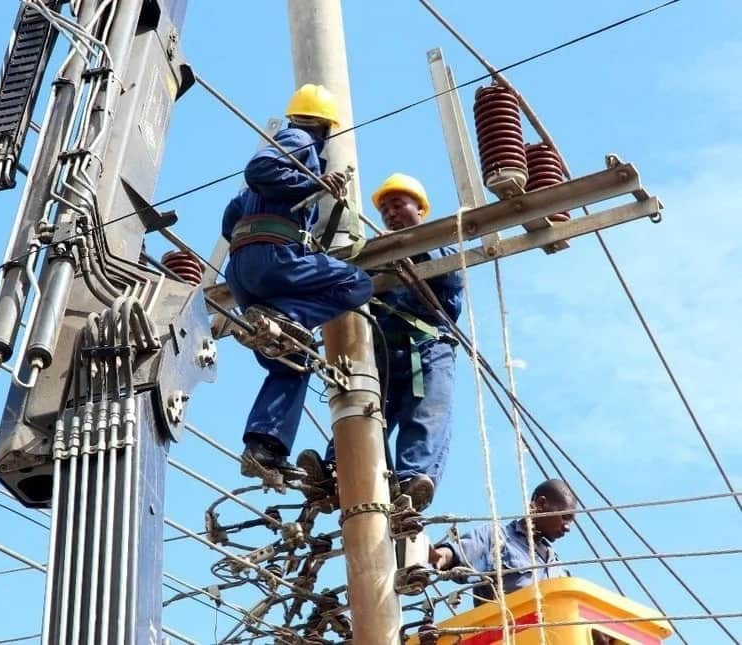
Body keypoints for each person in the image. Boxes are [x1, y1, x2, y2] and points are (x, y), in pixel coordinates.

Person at [222, 84, 373, 480]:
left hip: (243, 273)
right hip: (273, 259)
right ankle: (287, 314)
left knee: (292, 360)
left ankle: (265, 445)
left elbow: (229, 218)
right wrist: (313, 185)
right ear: (325, 125)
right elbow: (259, 168)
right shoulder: (298, 139)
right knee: (357, 283)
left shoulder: (251, 196)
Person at [298, 173, 463, 511]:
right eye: (385, 208)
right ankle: (335, 470)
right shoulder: (375, 252)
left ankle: (411, 482)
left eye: (398, 204)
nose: (391, 213)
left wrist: (408, 249)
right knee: (362, 407)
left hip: (428, 349)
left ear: (420, 207)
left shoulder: (438, 241)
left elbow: (452, 278)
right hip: (385, 352)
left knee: (425, 415)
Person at [428, 478, 576, 606]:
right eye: (565, 517)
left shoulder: (557, 567)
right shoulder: (497, 537)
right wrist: (438, 556)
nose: (568, 528)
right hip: (509, 633)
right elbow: (458, 553)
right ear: (541, 503)